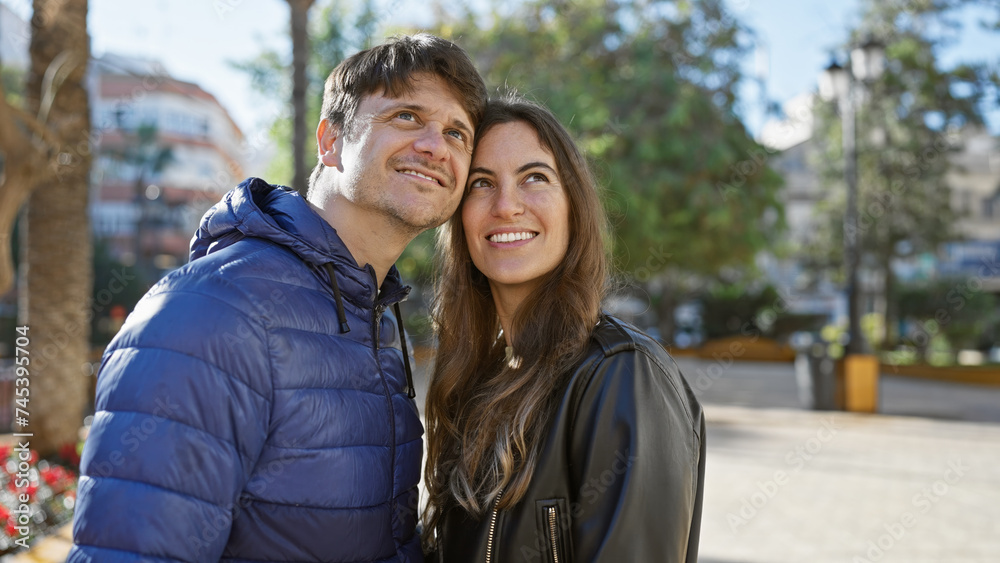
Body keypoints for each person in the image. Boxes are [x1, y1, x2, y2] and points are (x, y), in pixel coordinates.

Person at [68, 34, 487, 562]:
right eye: (406, 117)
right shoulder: (212, 312)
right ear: (330, 140)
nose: (435, 146)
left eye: (456, 132)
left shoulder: (371, 313)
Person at [422, 96, 705, 562]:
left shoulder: (623, 374)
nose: (506, 206)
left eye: (535, 177)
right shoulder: (479, 379)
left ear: (574, 206)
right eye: (481, 183)